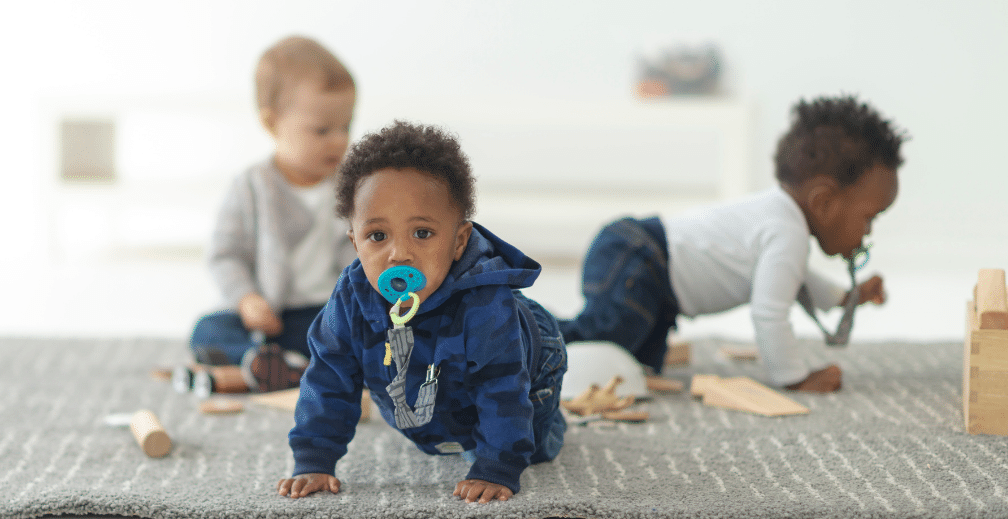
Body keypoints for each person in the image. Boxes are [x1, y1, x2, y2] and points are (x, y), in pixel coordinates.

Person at [277, 121, 567, 504]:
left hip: (530, 360)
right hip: (430, 373)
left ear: (459, 241)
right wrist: (314, 459)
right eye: (377, 236)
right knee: (435, 433)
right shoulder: (351, 299)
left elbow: (502, 389)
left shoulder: (484, 306)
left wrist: (496, 467)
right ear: (355, 242)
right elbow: (328, 380)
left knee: (532, 447)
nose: (399, 255)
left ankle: (554, 416)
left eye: (423, 233)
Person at [558, 94, 908, 393]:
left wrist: (847, 298)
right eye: (869, 217)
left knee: (635, 366)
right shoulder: (787, 233)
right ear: (824, 203)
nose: (869, 232)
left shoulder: (783, 223)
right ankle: (526, 331)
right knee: (598, 342)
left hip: (645, 264)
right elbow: (769, 312)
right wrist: (795, 378)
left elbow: (800, 279)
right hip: (641, 263)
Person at [184, 35, 357, 393]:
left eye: (346, 126)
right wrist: (247, 300)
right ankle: (260, 361)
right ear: (272, 123)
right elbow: (225, 254)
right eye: (322, 130)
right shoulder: (252, 187)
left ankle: (298, 366)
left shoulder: (353, 186)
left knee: (372, 335)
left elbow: (364, 252)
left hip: (325, 313)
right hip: (269, 319)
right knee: (207, 330)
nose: (339, 140)